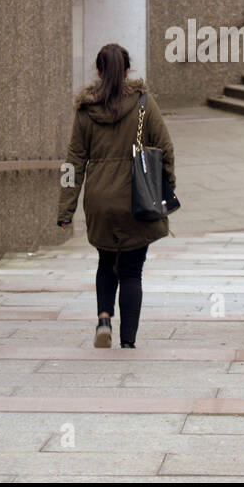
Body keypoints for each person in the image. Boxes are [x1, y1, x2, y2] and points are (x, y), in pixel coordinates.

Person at [57, 43, 175, 349]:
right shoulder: (143, 103)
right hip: (135, 200)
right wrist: (165, 188)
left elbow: (73, 162)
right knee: (132, 271)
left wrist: (65, 211)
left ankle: (104, 319)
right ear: (126, 70)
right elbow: (165, 147)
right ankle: (128, 341)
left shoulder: (85, 111)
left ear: (98, 70)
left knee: (106, 262)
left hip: (99, 201)